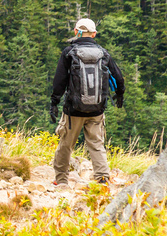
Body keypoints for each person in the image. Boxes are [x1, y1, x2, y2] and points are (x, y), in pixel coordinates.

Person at [50, 18, 125, 186]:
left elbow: (60, 81)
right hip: (97, 109)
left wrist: (54, 102)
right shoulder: (103, 53)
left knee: (66, 144)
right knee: (97, 145)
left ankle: (61, 180)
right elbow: (118, 77)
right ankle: (102, 178)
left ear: (76, 32)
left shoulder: (69, 52)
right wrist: (119, 95)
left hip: (73, 110)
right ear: (94, 34)